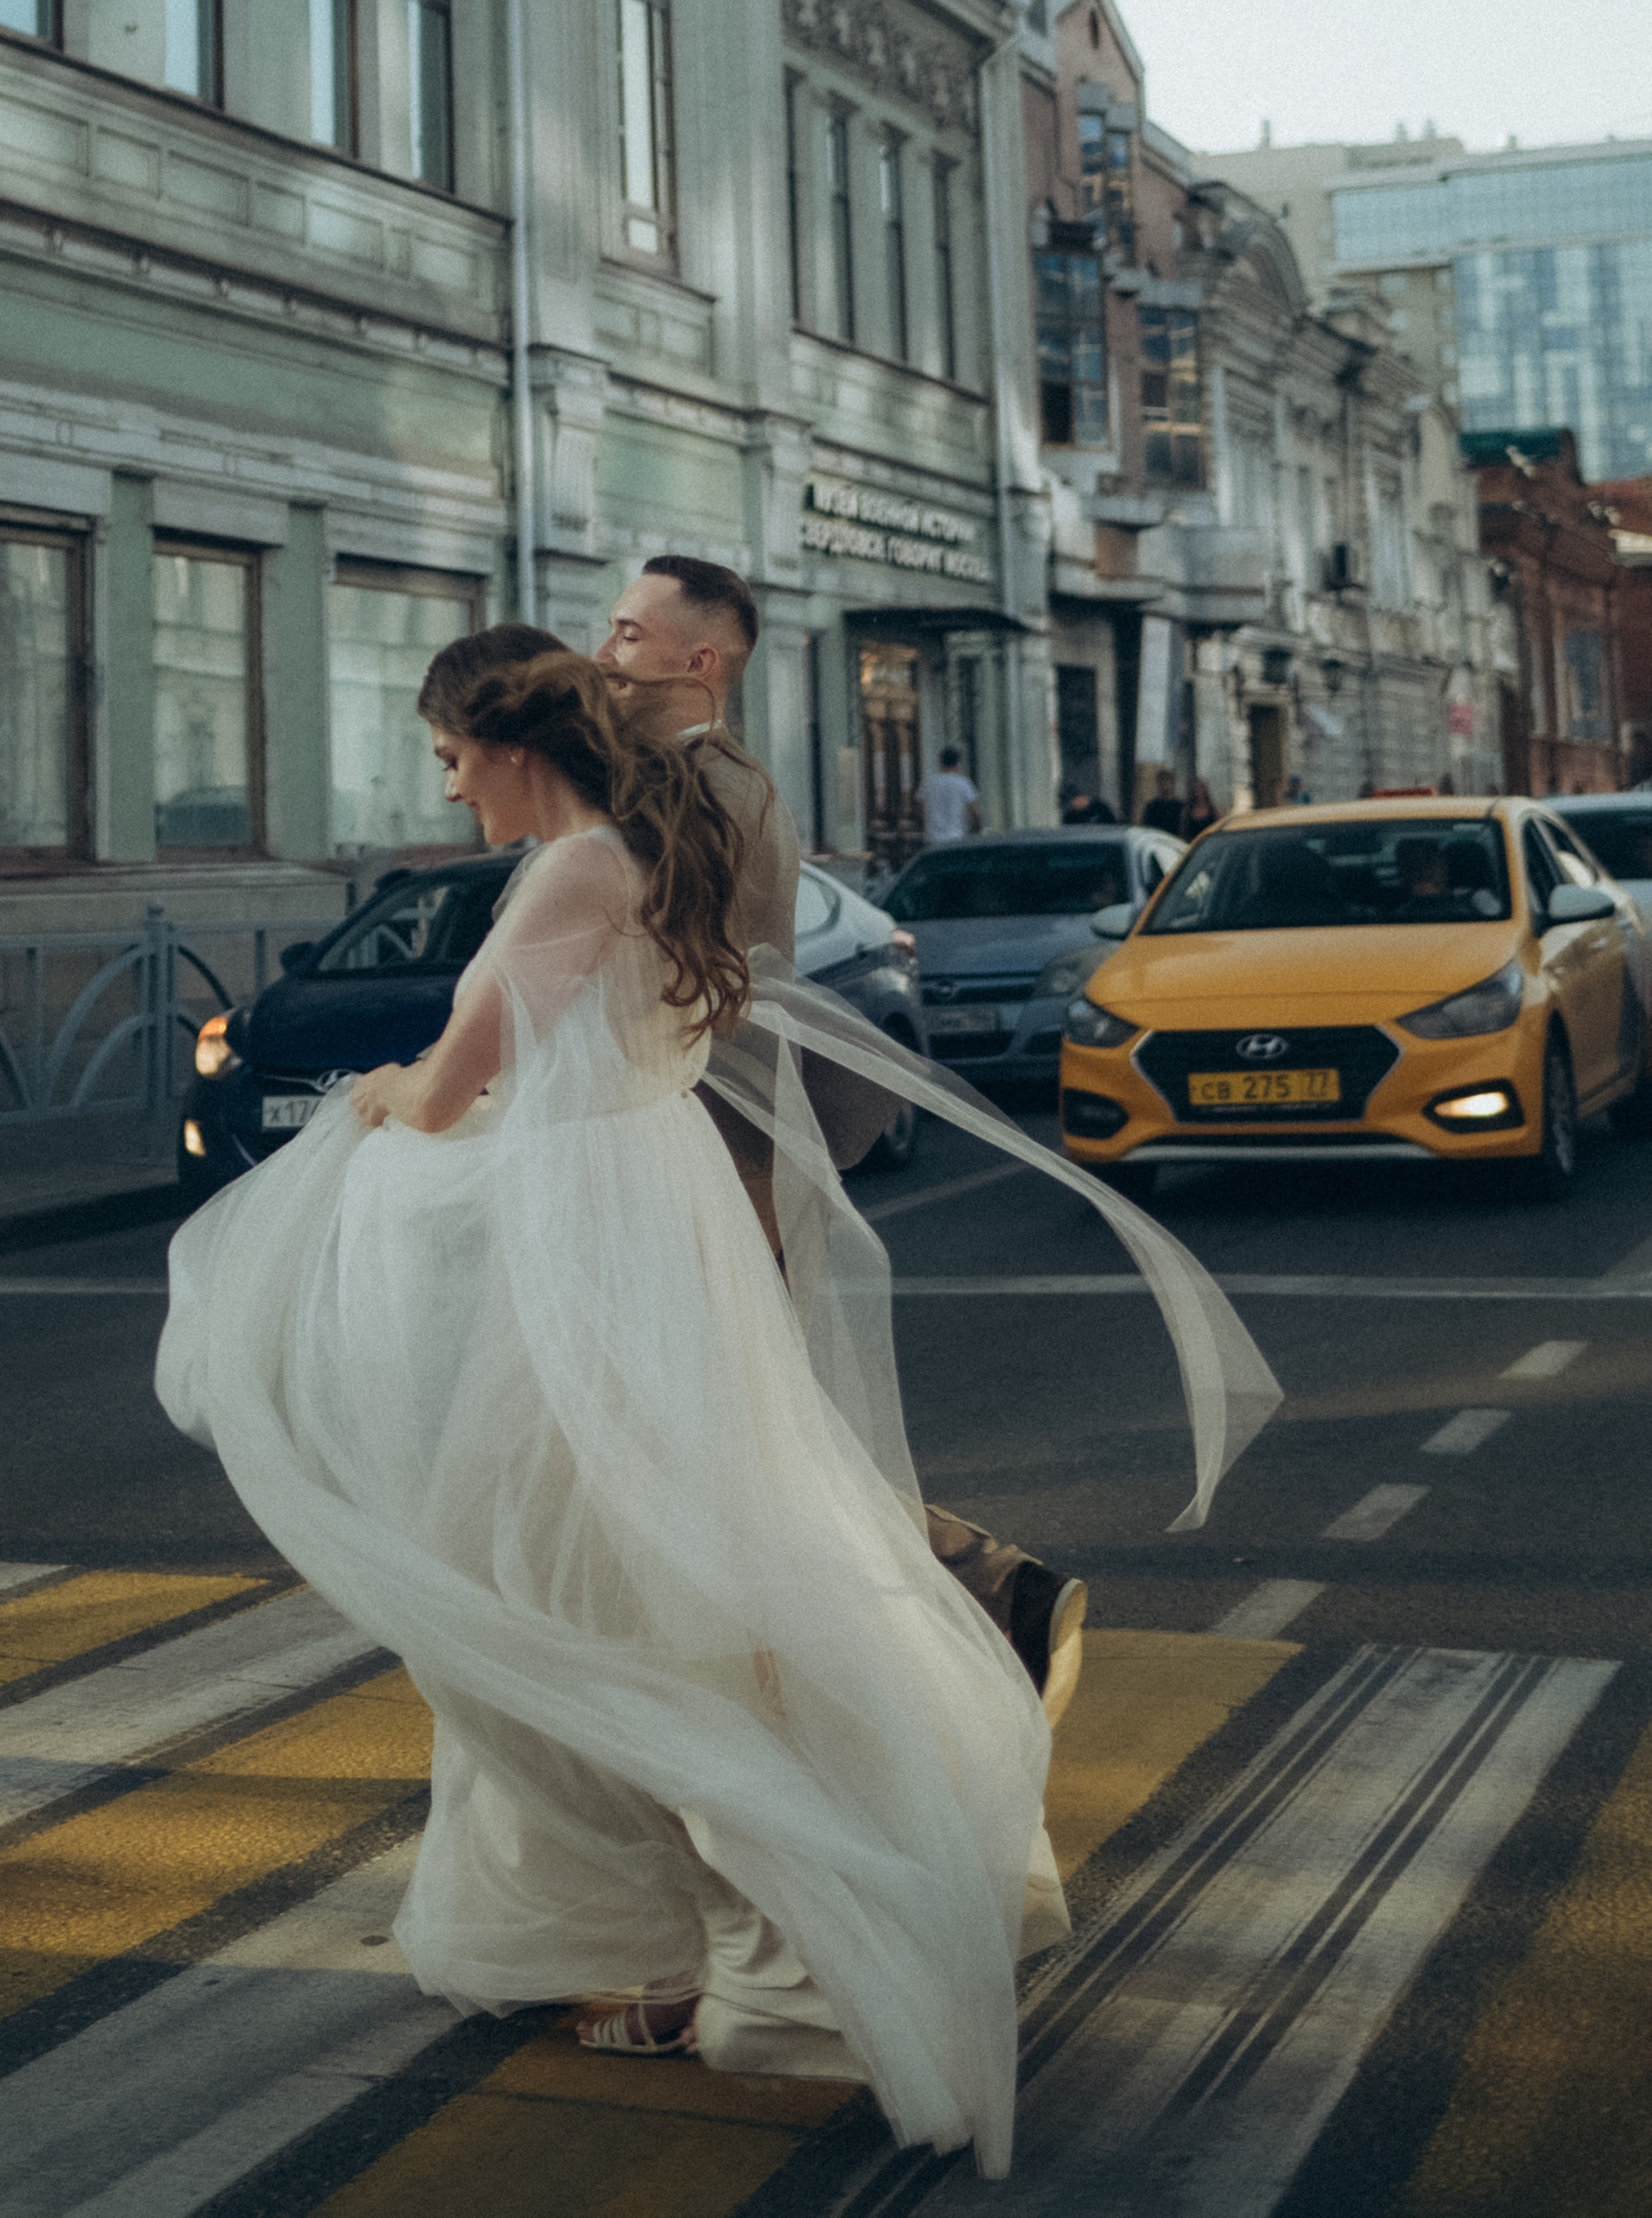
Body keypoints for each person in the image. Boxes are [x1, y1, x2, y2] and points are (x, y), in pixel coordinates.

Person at [158, 642, 1277, 2165]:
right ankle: (685, 1917)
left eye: (444, 753)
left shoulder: (562, 876)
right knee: (642, 1569)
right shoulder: (632, 860)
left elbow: (445, 1092)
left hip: (595, 1253)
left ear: (502, 742)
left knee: (604, 1596)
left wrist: (375, 1095)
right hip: (643, 1220)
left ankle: (787, 1942)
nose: (441, 785)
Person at [597, 559, 1084, 1718]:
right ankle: (972, 1597)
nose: (605, 650)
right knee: (729, 1439)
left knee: (726, 1446)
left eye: (628, 633)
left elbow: (679, 994)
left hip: (708, 1150)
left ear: (697, 662)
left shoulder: (696, 792)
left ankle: (958, 1605)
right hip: (715, 1147)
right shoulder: (708, 782)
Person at [924, 743, 982, 841]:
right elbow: (975, 811)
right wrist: (976, 829)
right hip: (957, 836)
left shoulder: (929, 783)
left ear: (940, 762)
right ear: (957, 764)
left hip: (934, 837)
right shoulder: (963, 783)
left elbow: (920, 806)